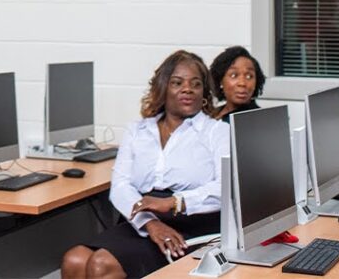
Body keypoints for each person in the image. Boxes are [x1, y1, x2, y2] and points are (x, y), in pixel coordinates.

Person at [61, 50, 229, 279]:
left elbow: (225, 188)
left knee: (101, 265)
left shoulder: (217, 132)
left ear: (204, 94)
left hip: (195, 224)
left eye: (196, 84)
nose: (187, 89)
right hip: (143, 221)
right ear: (163, 88)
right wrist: (149, 223)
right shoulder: (138, 130)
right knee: (74, 260)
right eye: (177, 83)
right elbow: (121, 186)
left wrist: (174, 202)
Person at [209, 46, 265, 122]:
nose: (242, 83)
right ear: (220, 80)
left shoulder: (259, 119)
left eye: (249, 76)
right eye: (234, 75)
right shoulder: (214, 113)